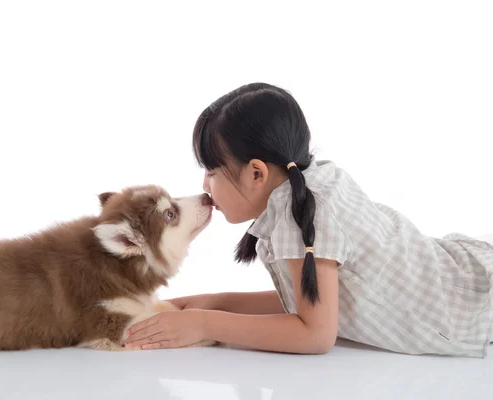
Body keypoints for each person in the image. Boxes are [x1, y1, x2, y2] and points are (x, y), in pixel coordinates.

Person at [122, 82, 493, 357]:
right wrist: (215, 302)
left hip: (477, 304)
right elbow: (310, 301)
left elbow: (314, 334)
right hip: (462, 273)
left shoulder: (300, 216)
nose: (204, 187)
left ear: (256, 174)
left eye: (212, 172)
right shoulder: (300, 188)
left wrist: (203, 323)